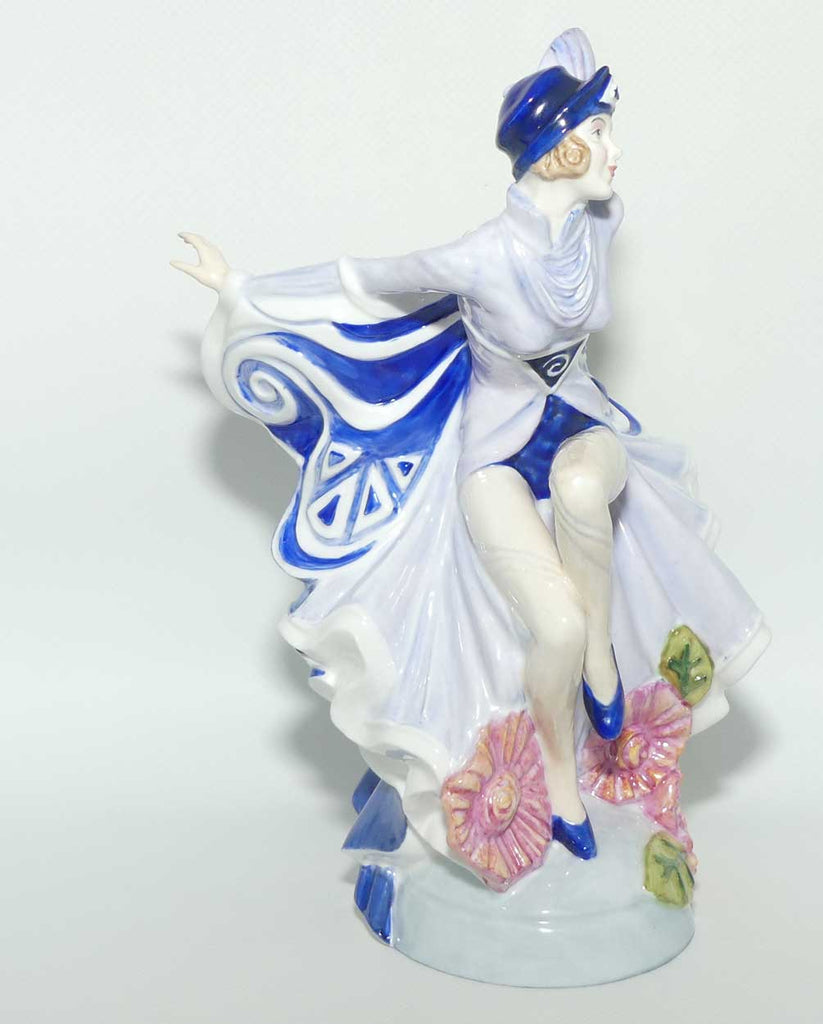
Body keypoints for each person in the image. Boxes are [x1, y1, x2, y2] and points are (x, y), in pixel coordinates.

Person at [174, 29, 769, 878]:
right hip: (494, 450)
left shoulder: (601, 223)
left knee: (583, 491)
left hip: (580, 422)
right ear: (561, 150)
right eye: (600, 133)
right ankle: (560, 774)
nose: (614, 150)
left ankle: (604, 658)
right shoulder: (480, 257)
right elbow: (362, 279)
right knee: (553, 626)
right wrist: (243, 289)